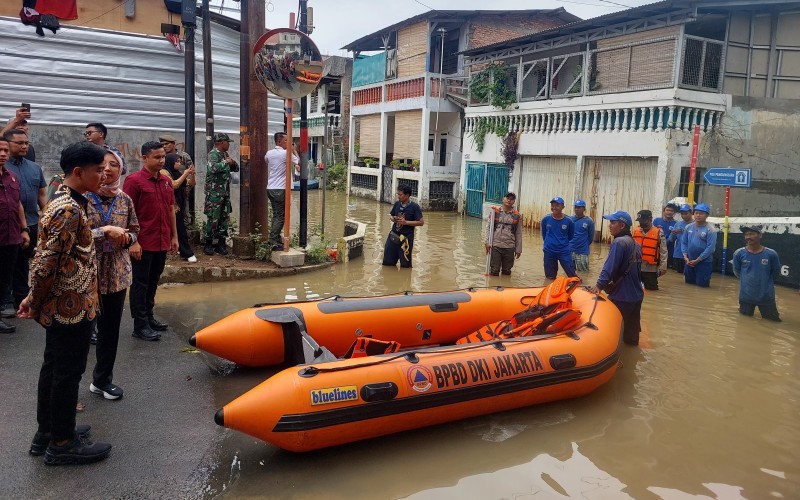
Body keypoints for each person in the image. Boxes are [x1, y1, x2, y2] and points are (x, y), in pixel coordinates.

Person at [18, 141, 114, 465]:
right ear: (78, 172)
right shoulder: (69, 209)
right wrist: (34, 300)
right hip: (69, 307)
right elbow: (47, 261)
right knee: (66, 373)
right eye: (99, 170)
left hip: (68, 303)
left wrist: (35, 298)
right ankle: (62, 443)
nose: (105, 175)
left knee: (54, 367)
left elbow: (56, 254)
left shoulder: (66, 197)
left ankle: (48, 431)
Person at [87, 151, 140, 400]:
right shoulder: (83, 198)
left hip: (117, 275)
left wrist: (127, 238)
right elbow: (77, 236)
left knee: (110, 331)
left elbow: (135, 230)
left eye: (114, 165)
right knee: (82, 332)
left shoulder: (125, 200)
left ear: (121, 170)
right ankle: (66, 391)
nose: (107, 169)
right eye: (103, 165)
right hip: (86, 276)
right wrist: (102, 232)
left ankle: (102, 380)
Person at [123, 141, 178, 341]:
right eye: (157, 157)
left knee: (154, 281)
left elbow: (171, 209)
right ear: (144, 158)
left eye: (163, 157)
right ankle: (140, 324)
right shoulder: (134, 181)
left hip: (162, 241)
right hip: (143, 242)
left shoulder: (165, 181)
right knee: (140, 283)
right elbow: (127, 213)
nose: (161, 160)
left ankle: (150, 317)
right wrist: (133, 241)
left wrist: (174, 237)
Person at [2, 128, 46, 318]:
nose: (24, 146)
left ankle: (21, 297)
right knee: (6, 265)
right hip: (8, 226)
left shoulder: (34, 168)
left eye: (26, 143)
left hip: (31, 223)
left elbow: (41, 195)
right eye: (19, 143)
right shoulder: (5, 168)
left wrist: (46, 216)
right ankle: (6, 300)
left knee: (23, 264)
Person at [587, 211, 643, 346]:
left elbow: (609, 267)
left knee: (612, 334)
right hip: (637, 296)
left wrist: (599, 286)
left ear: (622, 225)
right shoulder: (636, 244)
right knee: (631, 338)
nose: (609, 226)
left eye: (613, 223)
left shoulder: (619, 242)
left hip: (622, 297)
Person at [0, 136, 31, 333]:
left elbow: (17, 204)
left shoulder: (11, 176)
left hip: (10, 238)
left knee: (4, 279)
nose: (3, 154)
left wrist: (24, 229)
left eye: (5, 150)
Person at [732, 225, 782, 322]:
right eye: (746, 234)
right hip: (746, 296)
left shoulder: (771, 254)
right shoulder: (739, 253)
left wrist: (765, 283)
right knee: (744, 324)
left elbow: (775, 273)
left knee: (772, 323)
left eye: (752, 234)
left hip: (766, 296)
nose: (748, 237)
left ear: (760, 235)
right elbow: (737, 272)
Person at [203, 133, 238, 256]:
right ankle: (208, 244)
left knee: (224, 218)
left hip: (224, 193)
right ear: (221, 142)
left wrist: (232, 163)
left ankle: (221, 244)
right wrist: (226, 163)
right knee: (213, 218)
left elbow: (235, 168)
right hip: (214, 194)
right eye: (227, 142)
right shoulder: (213, 154)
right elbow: (212, 168)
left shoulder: (224, 154)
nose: (228, 144)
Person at [265, 132, 299, 251]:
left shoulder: (269, 153)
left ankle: (276, 237)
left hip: (270, 188)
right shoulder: (286, 153)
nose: (288, 143)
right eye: (285, 141)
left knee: (276, 214)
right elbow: (298, 162)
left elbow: (267, 161)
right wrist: (294, 150)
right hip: (280, 189)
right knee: (280, 216)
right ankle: (272, 241)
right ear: (278, 141)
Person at [162, 153, 197, 262]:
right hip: (166, 207)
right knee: (177, 230)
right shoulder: (164, 172)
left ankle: (183, 251)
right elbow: (173, 185)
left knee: (180, 230)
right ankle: (186, 253)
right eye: (177, 161)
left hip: (176, 206)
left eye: (180, 162)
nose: (179, 164)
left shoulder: (176, 173)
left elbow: (191, 184)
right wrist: (185, 174)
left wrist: (192, 175)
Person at [382, 184, 424, 268]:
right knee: (387, 263)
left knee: (405, 266)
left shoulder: (415, 207)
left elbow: (421, 222)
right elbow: (391, 215)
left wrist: (406, 222)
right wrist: (393, 218)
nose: (398, 196)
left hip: (406, 240)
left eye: (400, 195)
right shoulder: (397, 204)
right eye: (398, 194)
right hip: (393, 237)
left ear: (407, 195)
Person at [485, 192, 522, 276]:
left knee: (507, 271)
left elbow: (518, 233)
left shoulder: (517, 215)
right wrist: (487, 242)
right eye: (507, 198)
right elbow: (488, 227)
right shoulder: (495, 212)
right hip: (496, 245)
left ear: (514, 201)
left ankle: (505, 287)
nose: (509, 200)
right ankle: (493, 287)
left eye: (512, 199)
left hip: (509, 247)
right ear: (503, 199)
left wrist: (518, 249)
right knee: (494, 271)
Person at [681, 202, 717, 288]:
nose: (698, 215)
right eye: (696, 213)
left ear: (707, 215)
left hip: (704, 262)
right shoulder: (688, 227)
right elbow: (684, 242)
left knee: (702, 286)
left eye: (701, 213)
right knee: (688, 286)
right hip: (689, 261)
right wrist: (685, 256)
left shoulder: (711, 230)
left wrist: (698, 259)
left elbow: (710, 248)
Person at [541, 196, 577, 279]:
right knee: (550, 277)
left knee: (571, 274)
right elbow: (544, 234)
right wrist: (548, 243)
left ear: (563, 207)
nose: (554, 207)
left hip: (563, 251)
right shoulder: (546, 219)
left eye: (557, 205)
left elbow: (570, 236)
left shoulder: (569, 221)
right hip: (549, 251)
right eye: (552, 205)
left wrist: (562, 243)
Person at [633, 210, 668, 290]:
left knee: (652, 291)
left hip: (650, 268)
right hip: (636, 266)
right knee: (634, 289)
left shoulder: (659, 232)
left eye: (643, 221)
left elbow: (663, 251)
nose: (641, 223)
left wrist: (663, 267)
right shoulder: (635, 231)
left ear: (650, 219)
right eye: (640, 221)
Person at [569, 199, 594, 273]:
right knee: (569, 272)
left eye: (579, 207)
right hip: (570, 250)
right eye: (576, 207)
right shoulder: (570, 219)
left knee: (584, 273)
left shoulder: (589, 221)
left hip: (582, 251)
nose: (577, 209)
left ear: (584, 209)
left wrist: (583, 245)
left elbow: (591, 237)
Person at [668, 204, 693, 273]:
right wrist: (673, 233)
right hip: (678, 254)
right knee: (678, 277)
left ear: (691, 213)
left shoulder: (695, 224)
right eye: (682, 214)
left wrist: (684, 232)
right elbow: (671, 240)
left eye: (686, 213)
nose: (683, 216)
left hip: (690, 255)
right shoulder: (678, 224)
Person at [654, 203, 679, 268]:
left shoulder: (676, 224)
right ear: (664, 211)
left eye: (671, 211)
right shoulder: (657, 220)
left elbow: (674, 238)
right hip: (657, 248)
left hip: (669, 250)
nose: (669, 212)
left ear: (674, 212)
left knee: (667, 268)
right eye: (667, 210)